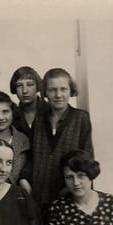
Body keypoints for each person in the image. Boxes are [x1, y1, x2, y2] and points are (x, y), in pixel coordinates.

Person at [30, 68, 94, 211]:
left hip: (69, 194)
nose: (58, 95)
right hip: (40, 194)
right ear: (45, 93)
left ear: (70, 91)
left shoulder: (81, 118)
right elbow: (31, 156)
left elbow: (87, 160)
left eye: (63, 89)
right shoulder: (39, 119)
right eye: (52, 90)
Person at [9, 66, 50, 140]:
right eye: (19, 85)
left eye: (30, 84)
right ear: (14, 89)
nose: (25, 91)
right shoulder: (12, 115)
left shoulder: (51, 110)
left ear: (37, 86)